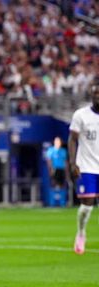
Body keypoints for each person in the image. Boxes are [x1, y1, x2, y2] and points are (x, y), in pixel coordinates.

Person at [68, 82, 99, 255]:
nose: (98, 97)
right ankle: (81, 233)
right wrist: (73, 163)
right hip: (87, 166)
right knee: (87, 206)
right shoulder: (81, 115)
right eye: (95, 94)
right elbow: (72, 139)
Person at [46, 136, 68, 207]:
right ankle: (52, 203)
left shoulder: (63, 151)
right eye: (56, 141)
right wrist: (50, 169)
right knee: (53, 185)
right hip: (54, 169)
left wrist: (66, 171)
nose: (58, 143)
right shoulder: (51, 150)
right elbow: (49, 160)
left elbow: (65, 162)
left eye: (59, 141)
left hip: (61, 170)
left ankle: (62, 203)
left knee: (62, 185)